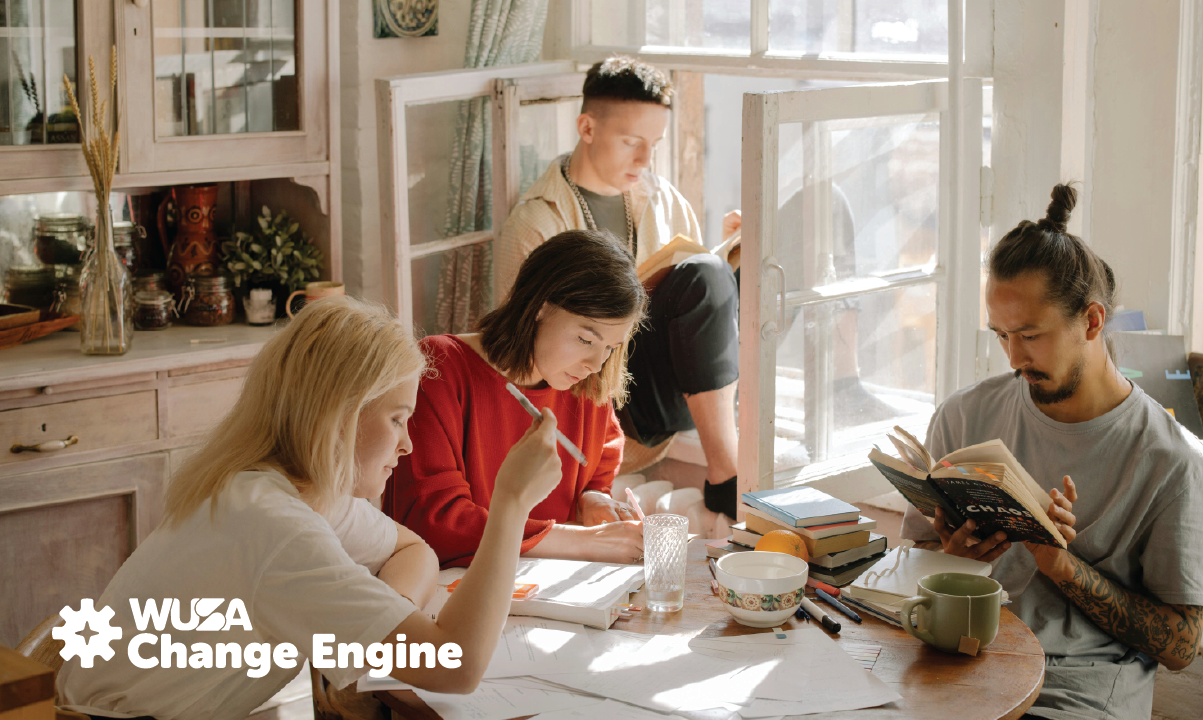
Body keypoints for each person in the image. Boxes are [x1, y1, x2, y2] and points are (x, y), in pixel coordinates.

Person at [58, 297, 565, 720]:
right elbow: (455, 668)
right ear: (338, 416)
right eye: (397, 419)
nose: (407, 445)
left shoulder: (284, 489)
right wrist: (511, 505)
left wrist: (382, 621)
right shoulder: (276, 529)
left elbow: (415, 550)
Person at [900, 184, 1203, 720]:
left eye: (1030, 335)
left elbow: (1182, 647)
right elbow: (914, 563)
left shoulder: (1175, 462)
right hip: (957, 667)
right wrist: (951, 559)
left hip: (1072, 696)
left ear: (1092, 322)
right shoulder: (963, 415)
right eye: (1001, 335)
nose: (1013, 357)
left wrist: (1061, 566)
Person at [494, 56, 742, 518]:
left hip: (668, 393)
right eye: (630, 141)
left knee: (740, 260)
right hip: (601, 400)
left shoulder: (664, 199)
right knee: (706, 276)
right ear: (586, 128)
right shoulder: (537, 221)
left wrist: (731, 255)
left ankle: (733, 453)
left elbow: (695, 310)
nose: (645, 159)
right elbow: (520, 354)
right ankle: (728, 476)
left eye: (654, 143)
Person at [385, 230, 649, 567]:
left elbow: (600, 460)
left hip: (552, 587)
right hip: (455, 587)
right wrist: (583, 542)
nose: (596, 363)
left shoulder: (583, 380)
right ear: (539, 307)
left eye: (610, 348)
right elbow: (436, 522)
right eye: (585, 340)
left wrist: (592, 498)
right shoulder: (441, 368)